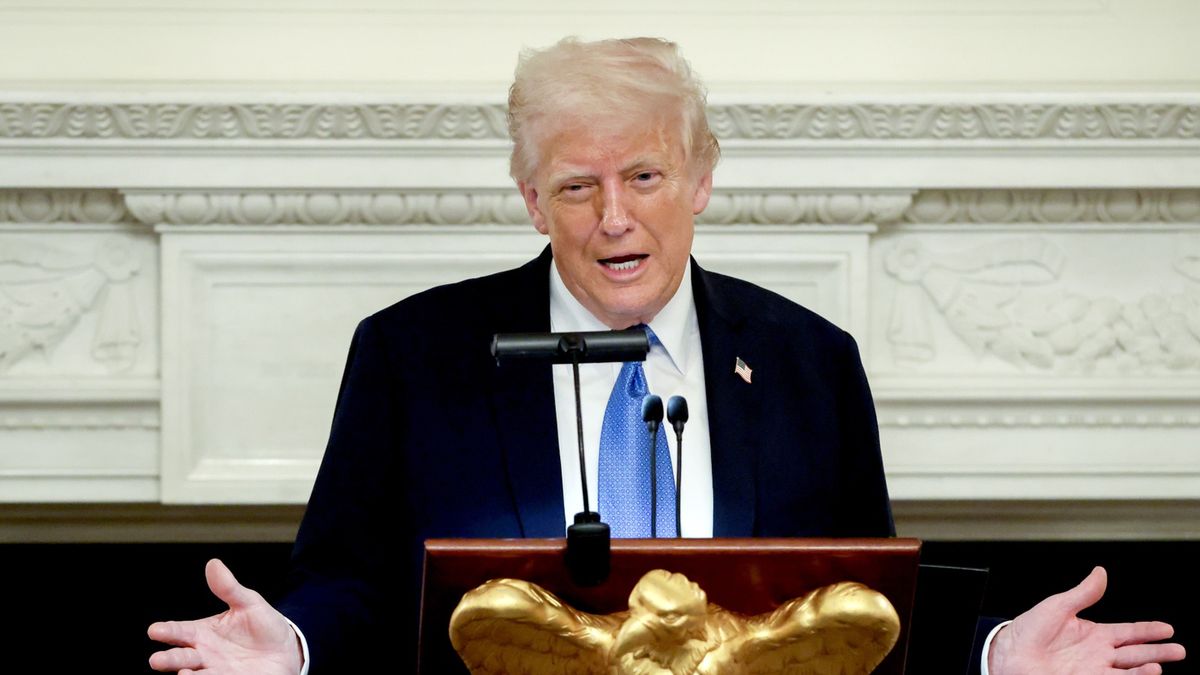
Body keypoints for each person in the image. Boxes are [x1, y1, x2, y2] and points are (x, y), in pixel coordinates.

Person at [148, 37, 1185, 675]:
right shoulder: (414, 356)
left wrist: (997, 653)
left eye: (644, 176)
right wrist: (289, 644)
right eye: (575, 186)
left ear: (700, 179)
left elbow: (862, 610)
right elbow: (353, 584)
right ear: (528, 198)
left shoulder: (809, 364)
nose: (613, 219)